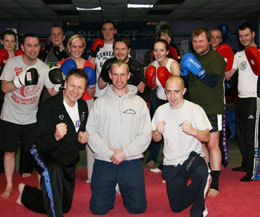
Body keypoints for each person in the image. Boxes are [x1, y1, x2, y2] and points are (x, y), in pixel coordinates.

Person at [16, 69, 89, 217]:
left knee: (64, 205)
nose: (75, 91)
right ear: (64, 84)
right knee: (53, 172)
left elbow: (76, 136)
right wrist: (55, 136)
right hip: (43, 151)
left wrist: (81, 138)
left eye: (80, 87)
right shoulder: (48, 107)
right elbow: (40, 142)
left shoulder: (82, 106)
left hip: (66, 155)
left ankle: (26, 194)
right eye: (72, 86)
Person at [86, 60, 152, 215]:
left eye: (123, 74)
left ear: (129, 76)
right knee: (98, 209)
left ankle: (125, 190)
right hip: (105, 160)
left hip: (130, 159)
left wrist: (124, 153)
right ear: (109, 75)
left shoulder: (139, 103)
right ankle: (110, 192)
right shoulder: (100, 103)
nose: (119, 79)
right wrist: (110, 154)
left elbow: (146, 134)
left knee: (138, 208)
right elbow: (91, 131)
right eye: (115, 75)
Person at [0, 33, 58, 198]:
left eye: (36, 46)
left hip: (32, 118)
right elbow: (4, 88)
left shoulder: (43, 67)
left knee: (36, 153)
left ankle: (42, 186)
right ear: (23, 47)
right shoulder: (12, 63)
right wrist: (20, 81)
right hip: (10, 116)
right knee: (9, 152)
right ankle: (10, 184)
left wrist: (59, 84)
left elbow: (52, 92)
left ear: (39, 48)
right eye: (29, 45)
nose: (33, 49)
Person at [152, 75, 211, 217]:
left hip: (191, 158)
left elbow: (207, 137)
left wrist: (194, 131)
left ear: (184, 91)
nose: (172, 96)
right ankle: (198, 189)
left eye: (176, 91)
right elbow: (155, 138)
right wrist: (157, 132)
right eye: (168, 92)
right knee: (176, 207)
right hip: (171, 162)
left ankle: (199, 209)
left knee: (202, 172)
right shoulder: (161, 110)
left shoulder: (194, 109)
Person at [180, 27, 226, 197]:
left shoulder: (217, 58)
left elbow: (213, 81)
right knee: (200, 145)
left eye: (201, 41)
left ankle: (216, 182)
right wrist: (184, 72)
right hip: (195, 109)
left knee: (213, 144)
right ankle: (206, 176)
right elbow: (186, 83)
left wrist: (197, 70)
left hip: (213, 108)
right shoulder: (190, 58)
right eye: (195, 41)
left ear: (208, 41)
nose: (198, 44)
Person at [57, 34, 96, 184]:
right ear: (69, 47)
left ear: (84, 48)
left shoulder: (90, 66)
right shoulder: (61, 64)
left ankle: (92, 175)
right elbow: (57, 90)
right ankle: (64, 173)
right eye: (74, 46)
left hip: (86, 103)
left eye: (80, 46)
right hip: (68, 104)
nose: (77, 50)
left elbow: (91, 93)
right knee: (66, 136)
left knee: (89, 136)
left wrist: (91, 83)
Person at [225, 22, 260, 181]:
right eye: (241, 36)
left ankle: (253, 171)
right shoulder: (239, 55)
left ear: (253, 34)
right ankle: (246, 164)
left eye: (246, 35)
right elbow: (228, 76)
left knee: (250, 136)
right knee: (240, 134)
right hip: (241, 99)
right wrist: (223, 58)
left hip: (254, 98)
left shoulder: (259, 52)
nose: (244, 38)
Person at [145, 39, 180, 168]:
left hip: (173, 101)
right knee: (156, 129)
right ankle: (152, 156)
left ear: (167, 51)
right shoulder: (152, 65)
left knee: (171, 131)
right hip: (159, 100)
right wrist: (152, 81)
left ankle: (170, 160)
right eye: (155, 50)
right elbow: (153, 87)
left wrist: (167, 80)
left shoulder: (173, 64)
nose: (158, 53)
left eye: (161, 50)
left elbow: (178, 85)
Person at [0, 29, 17, 174]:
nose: (10, 44)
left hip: (16, 102)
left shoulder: (21, 59)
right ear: (2, 42)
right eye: (7, 41)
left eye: (12, 41)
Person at [89, 20, 117, 98]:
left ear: (115, 31)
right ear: (102, 31)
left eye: (110, 29)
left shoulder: (120, 46)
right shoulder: (97, 46)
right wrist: (93, 53)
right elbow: (89, 68)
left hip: (117, 91)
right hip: (99, 91)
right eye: (105, 29)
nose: (107, 32)